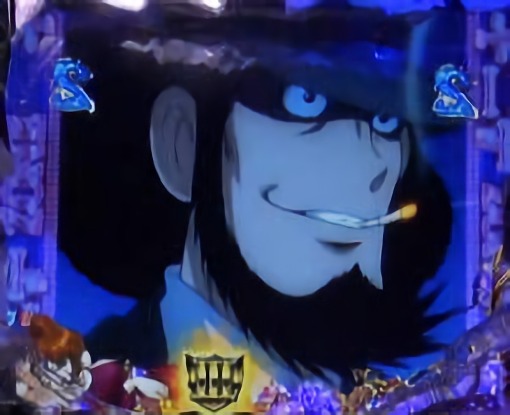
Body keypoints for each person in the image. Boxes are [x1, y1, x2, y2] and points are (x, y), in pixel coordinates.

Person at [39, 2, 466, 411]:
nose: (368, 164)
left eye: (386, 123)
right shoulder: (84, 380)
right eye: (303, 101)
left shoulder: (399, 391)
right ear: (181, 142)